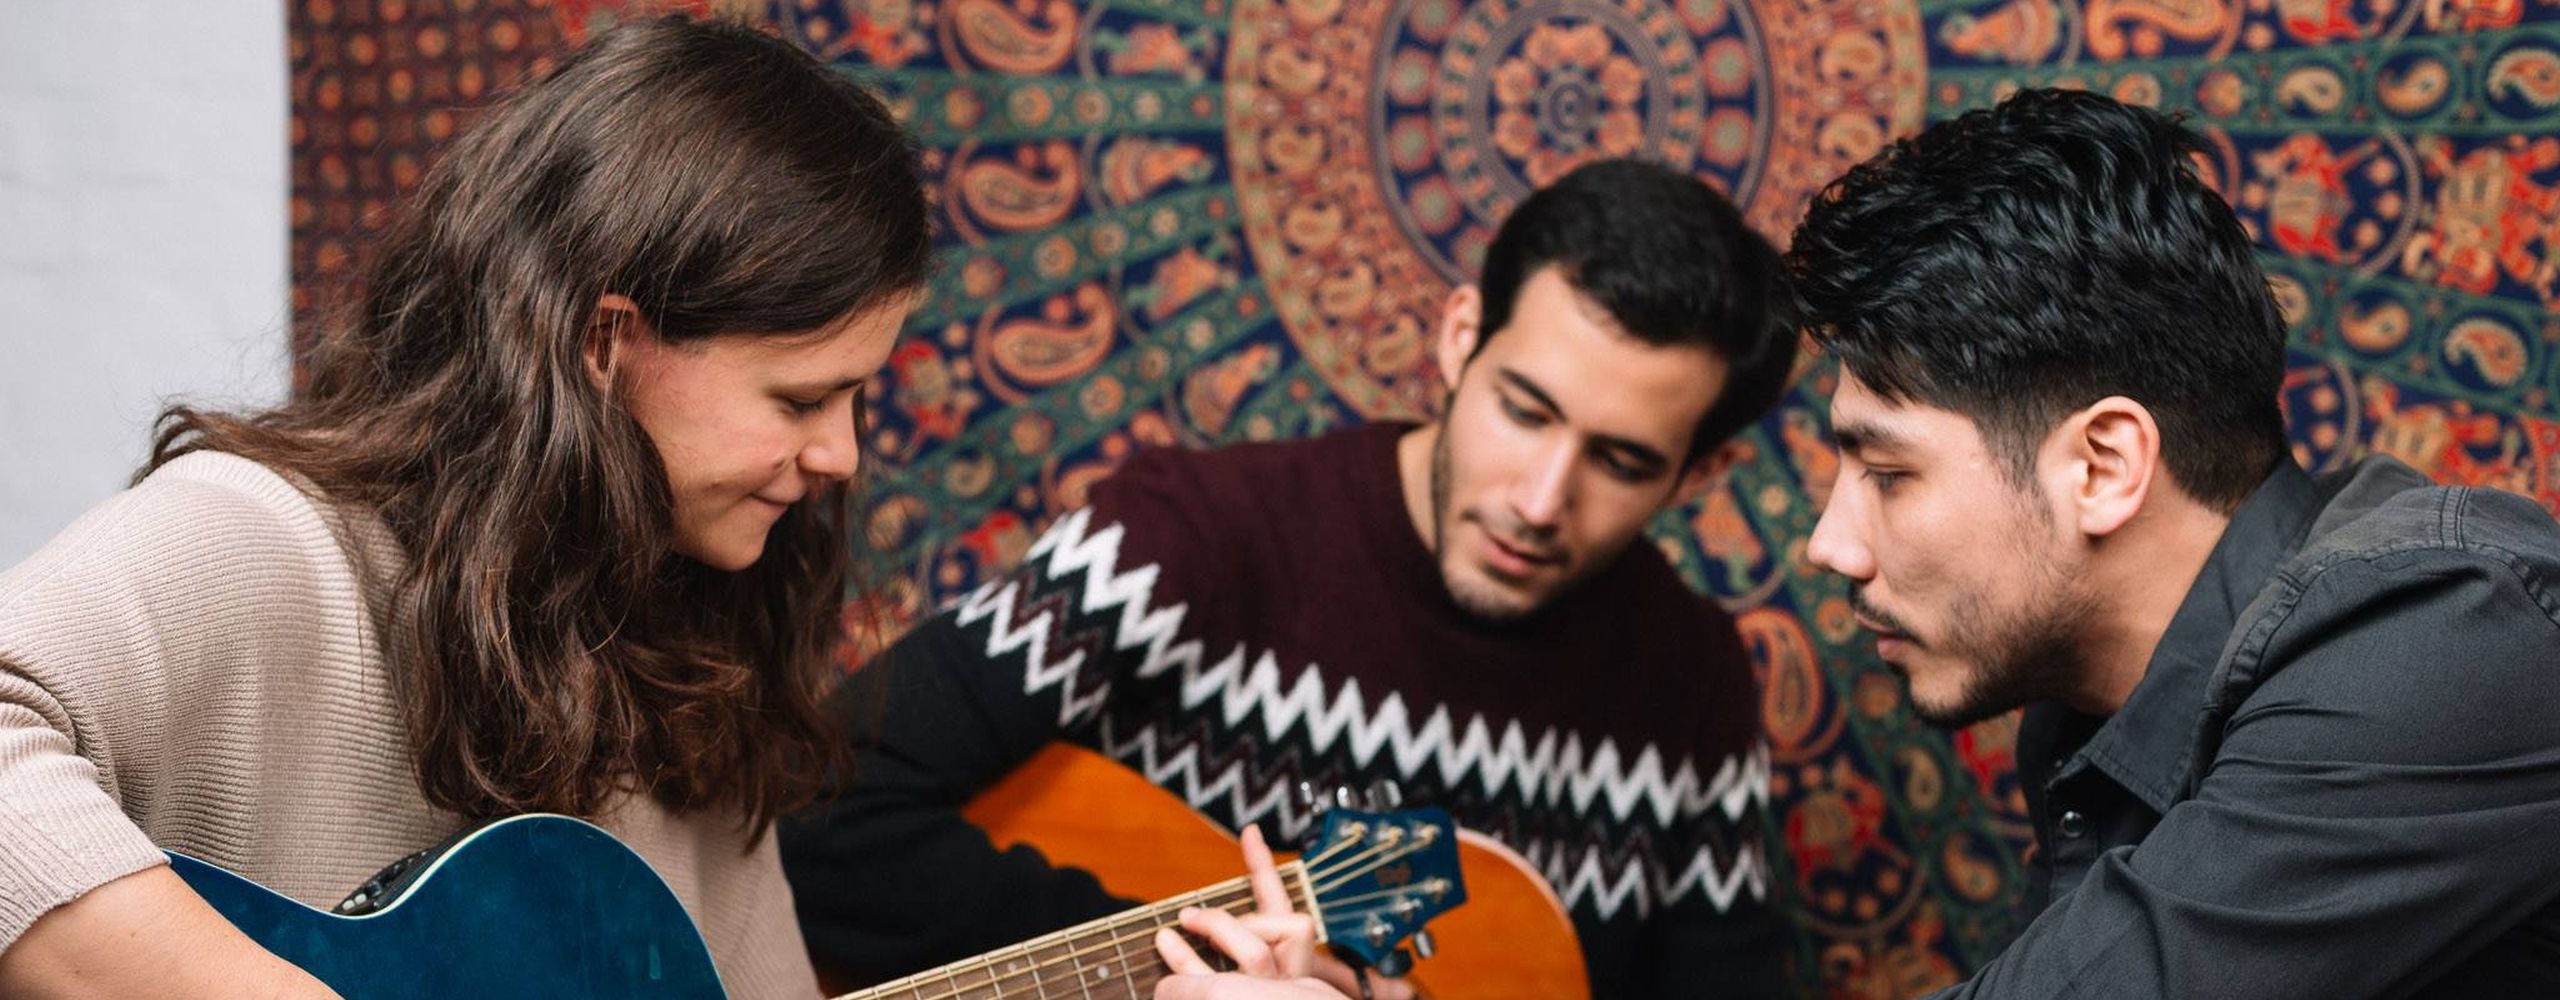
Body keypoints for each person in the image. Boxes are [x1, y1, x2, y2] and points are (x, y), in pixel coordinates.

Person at [0, 16, 1313, 999]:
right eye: (800, 398)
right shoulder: (270, 542)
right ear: (604, 345)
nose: (844, 454)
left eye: (859, 398)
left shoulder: (684, 672)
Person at [781, 157, 1801, 1000]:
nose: (1540, 498)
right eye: (1523, 411)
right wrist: (1198, 964)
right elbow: (814, 809)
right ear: (1458, 340)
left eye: (1619, 462)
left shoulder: (1689, 677)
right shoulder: (1190, 538)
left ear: (1699, 472)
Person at [1788, 87, 2560, 997]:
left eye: (1886, 473)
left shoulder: (2443, 629)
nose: (1829, 547)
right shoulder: (2089, 718)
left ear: (2103, 466)